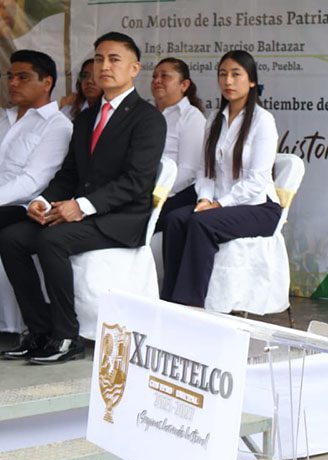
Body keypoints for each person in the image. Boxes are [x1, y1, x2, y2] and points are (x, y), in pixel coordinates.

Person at [0, 31, 166, 364]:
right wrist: (43, 201)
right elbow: (70, 175)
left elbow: (136, 182)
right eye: (99, 58)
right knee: (12, 237)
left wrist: (82, 206)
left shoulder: (147, 119)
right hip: (82, 214)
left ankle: (66, 335)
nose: (104, 66)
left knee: (52, 240)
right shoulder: (87, 117)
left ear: (134, 68)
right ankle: (39, 330)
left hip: (121, 219)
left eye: (114, 59)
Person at [160, 50, 281, 307]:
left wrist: (219, 204)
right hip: (217, 203)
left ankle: (189, 304)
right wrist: (205, 199)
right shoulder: (215, 119)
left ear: (251, 81)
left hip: (258, 207)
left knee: (201, 223)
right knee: (174, 219)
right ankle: (169, 300)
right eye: (223, 74)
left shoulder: (263, 121)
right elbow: (205, 171)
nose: (228, 81)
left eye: (236, 74)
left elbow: (257, 181)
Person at [0, 49, 72, 224]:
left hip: (18, 208)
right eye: (10, 77)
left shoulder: (58, 125)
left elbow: (33, 181)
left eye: (23, 77)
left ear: (47, 83)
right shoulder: (3, 117)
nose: (13, 83)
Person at [151, 57, 206, 230]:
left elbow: (188, 171)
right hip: (140, 192)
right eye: (154, 76)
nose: (157, 80)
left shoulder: (191, 117)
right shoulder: (147, 115)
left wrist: (154, 192)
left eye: (165, 76)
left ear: (184, 85)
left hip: (172, 196)